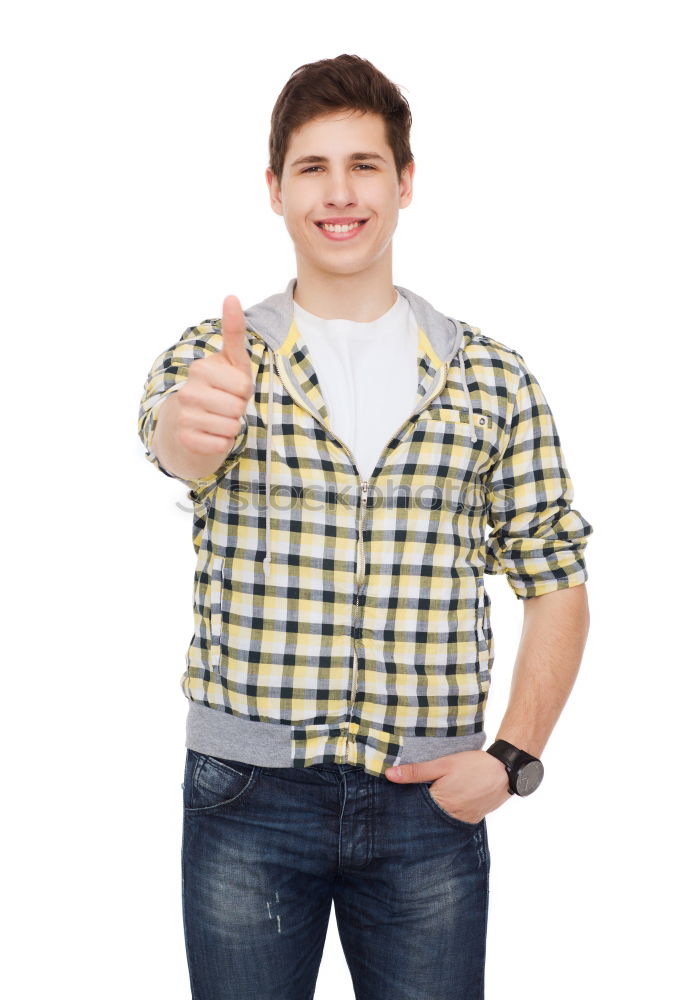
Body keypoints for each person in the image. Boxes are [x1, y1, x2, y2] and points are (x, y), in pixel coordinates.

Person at [137, 53, 593, 1000]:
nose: (339, 194)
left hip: (429, 804)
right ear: (274, 189)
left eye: (364, 165)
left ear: (404, 181)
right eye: (312, 168)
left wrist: (511, 759)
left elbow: (556, 580)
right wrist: (189, 428)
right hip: (248, 801)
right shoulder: (217, 360)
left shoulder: (493, 381)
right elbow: (173, 437)